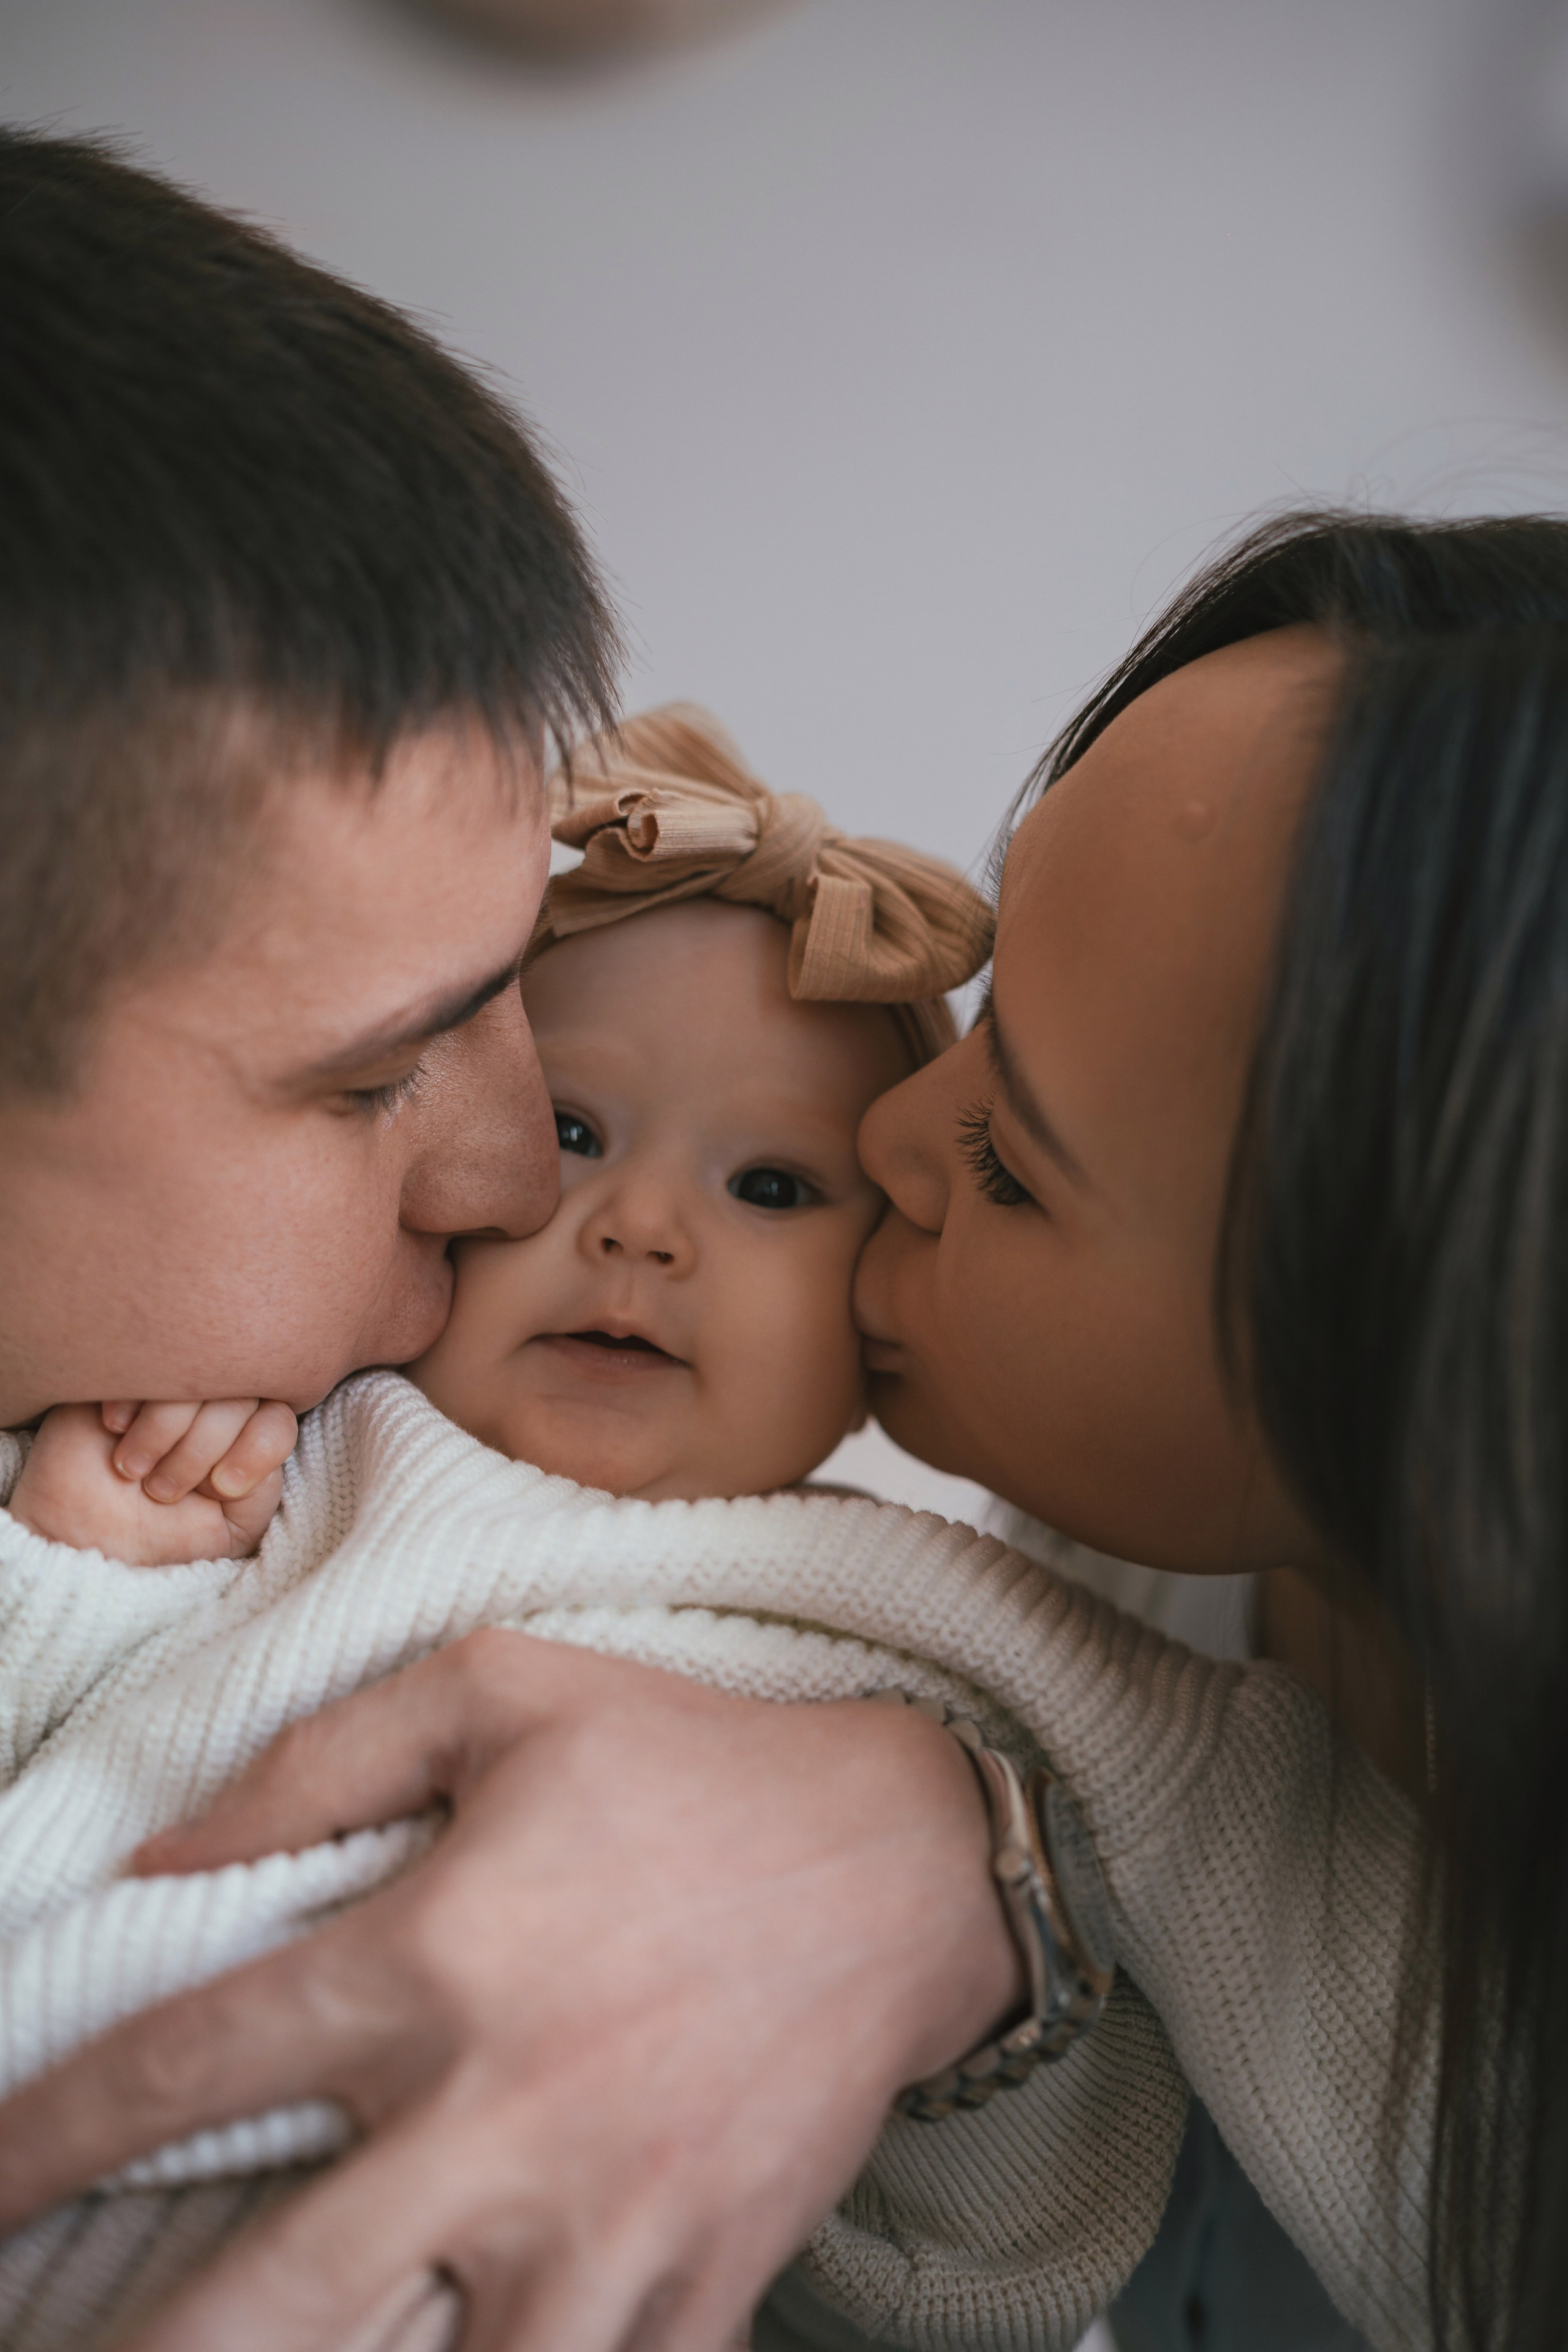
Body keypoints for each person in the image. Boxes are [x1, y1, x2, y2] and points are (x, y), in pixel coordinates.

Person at [4, 122, 1567, 2352]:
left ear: (1410, 1393)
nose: (534, 1192)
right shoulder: (277, 1437)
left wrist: (988, 1914)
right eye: (381, 1076)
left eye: (1013, 1158)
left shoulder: (1069, 1695)